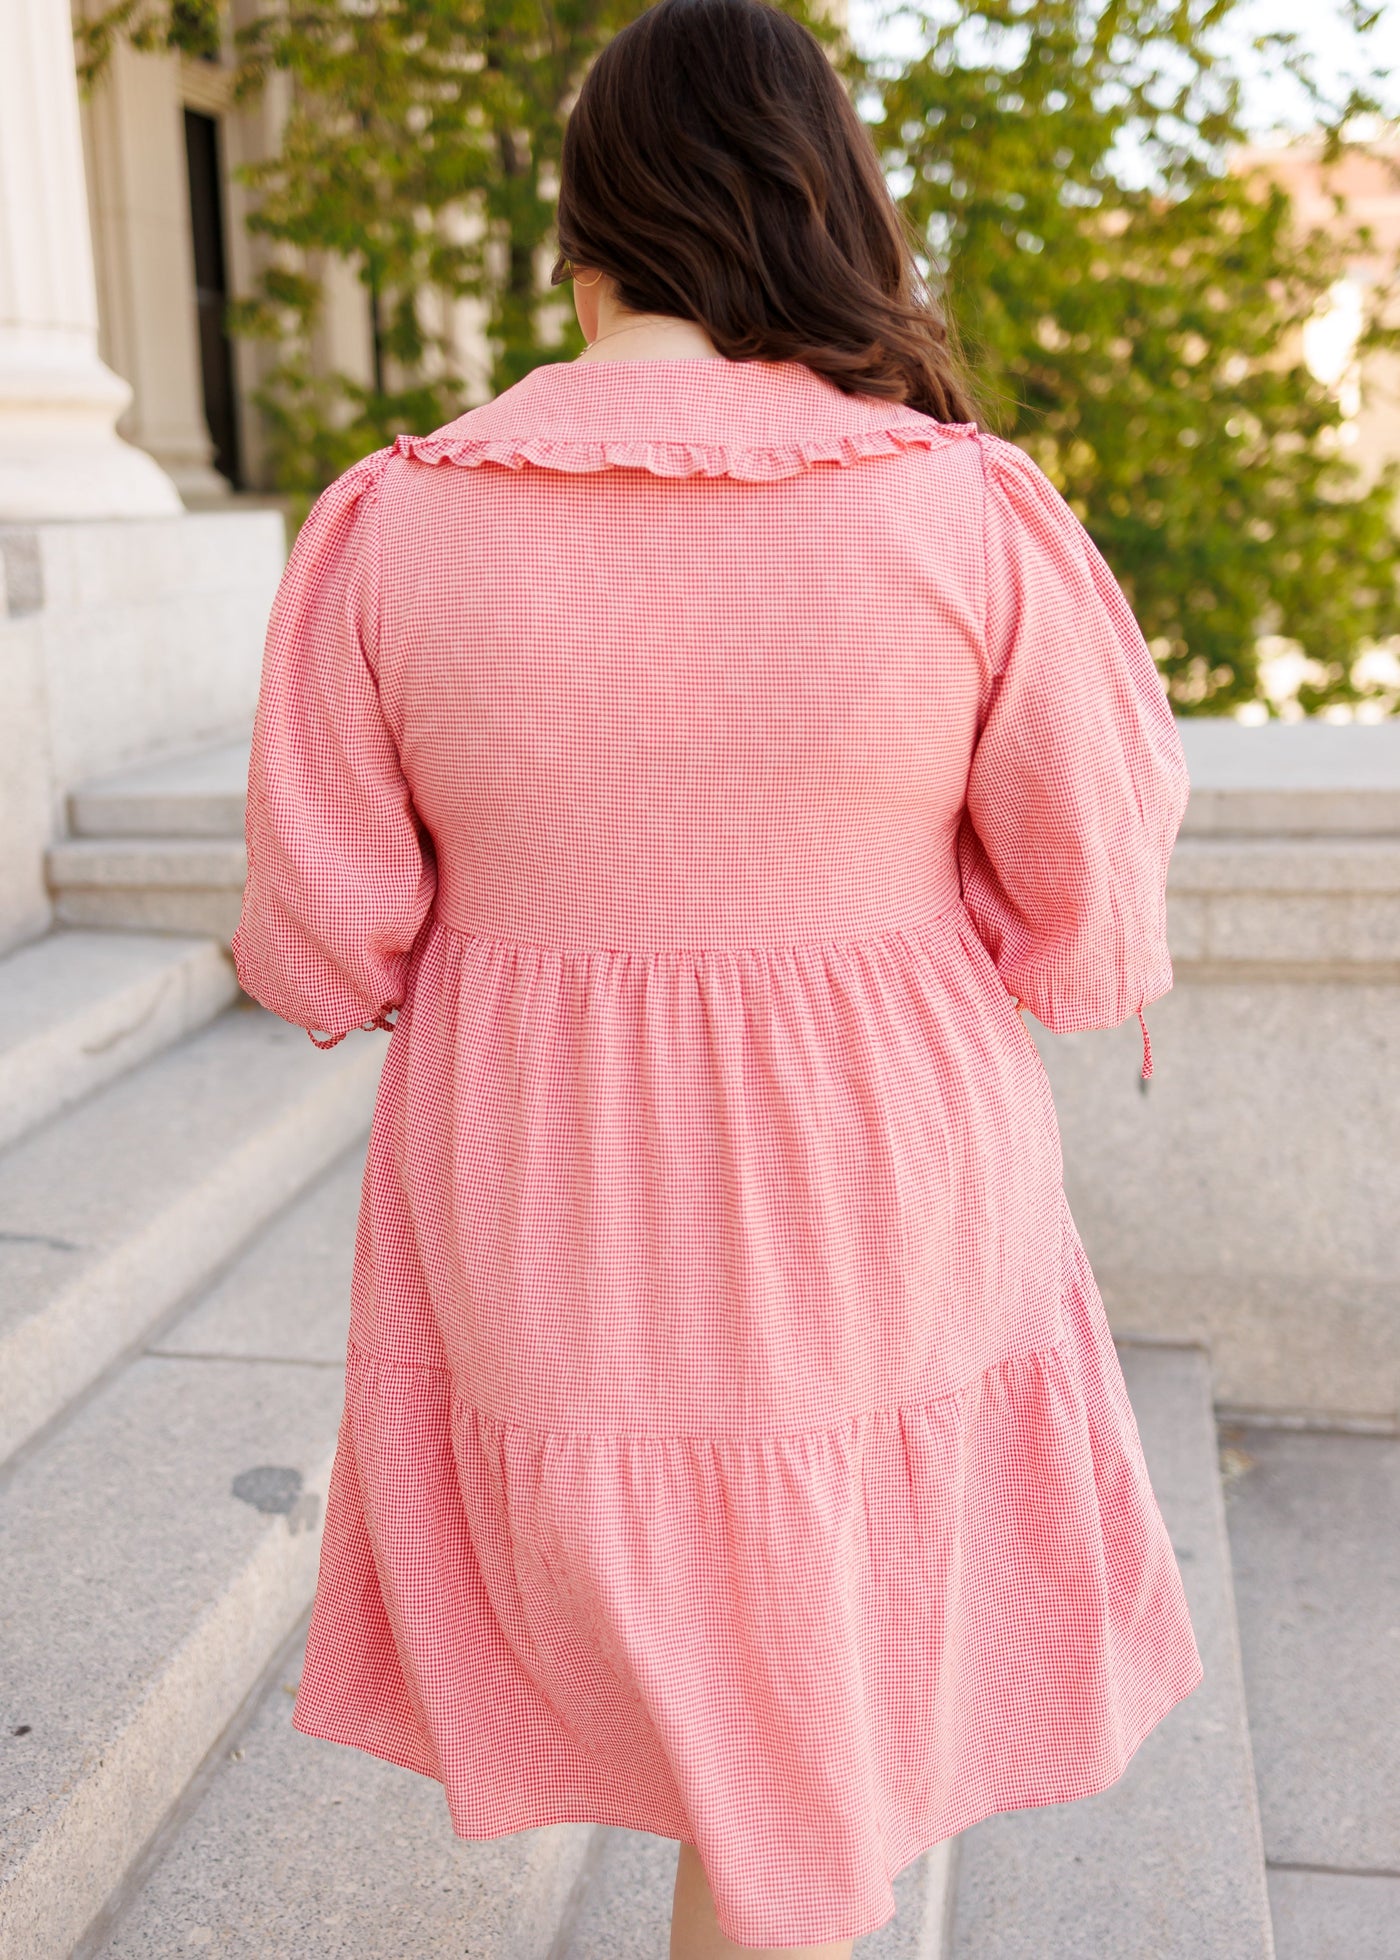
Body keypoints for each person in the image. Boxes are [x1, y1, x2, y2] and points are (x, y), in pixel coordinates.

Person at [231, 1, 1202, 1953]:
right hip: (876, 1181)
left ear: (586, 219)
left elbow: (325, 924)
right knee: (811, 1709)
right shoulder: (961, 511)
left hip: (547, 1202)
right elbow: (1084, 889)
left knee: (735, 1739)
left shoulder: (399, 515)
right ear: (814, 204)